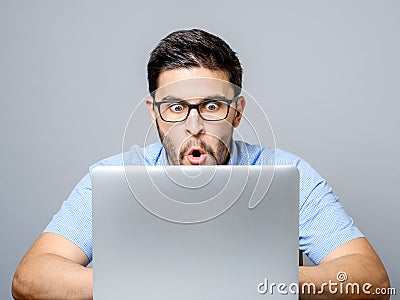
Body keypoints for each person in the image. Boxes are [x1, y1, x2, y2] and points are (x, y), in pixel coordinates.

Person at [12, 29, 390, 299]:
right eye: (176, 108)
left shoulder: (288, 175)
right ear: (154, 114)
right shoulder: (113, 179)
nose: (194, 127)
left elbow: (371, 280)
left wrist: (262, 283)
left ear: (237, 113)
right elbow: (30, 279)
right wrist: (154, 285)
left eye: (211, 106)